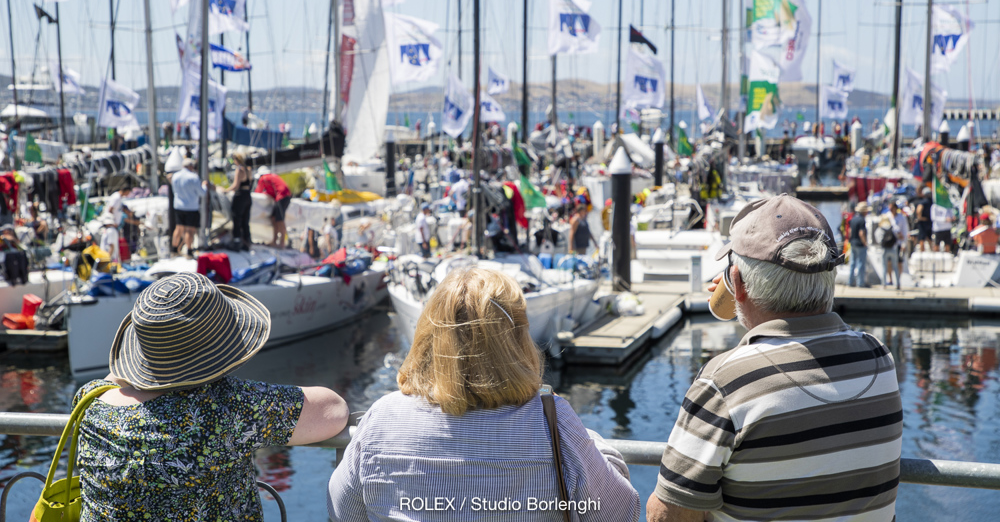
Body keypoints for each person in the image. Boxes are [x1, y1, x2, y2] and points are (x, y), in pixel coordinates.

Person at [649, 195, 901, 522]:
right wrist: (745, 297)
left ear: (736, 282)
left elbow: (667, 514)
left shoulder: (723, 384)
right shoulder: (879, 357)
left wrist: (741, 301)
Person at [327, 268, 640, 521]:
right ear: (516, 341)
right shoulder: (553, 422)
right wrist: (593, 445)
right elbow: (621, 513)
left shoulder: (382, 419)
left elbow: (343, 511)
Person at [73, 272, 349, 520]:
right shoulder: (228, 406)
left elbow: (116, 378)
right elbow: (334, 410)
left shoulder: (89, 401)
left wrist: (144, 364)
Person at [171, 158, 207, 256]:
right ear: (191, 166)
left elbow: (174, 191)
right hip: (191, 207)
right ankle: (189, 251)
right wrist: (204, 186)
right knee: (189, 230)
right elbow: (202, 193)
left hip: (178, 206)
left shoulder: (175, 176)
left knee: (178, 228)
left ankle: (174, 250)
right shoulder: (193, 177)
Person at [221, 152, 253, 250]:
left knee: (237, 219)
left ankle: (237, 242)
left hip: (240, 196)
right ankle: (247, 242)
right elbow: (250, 183)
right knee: (245, 220)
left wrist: (225, 190)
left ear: (236, 160)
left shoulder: (239, 170)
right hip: (248, 196)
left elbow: (236, 185)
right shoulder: (248, 169)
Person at [255, 168, 292, 248]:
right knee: (274, 218)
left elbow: (258, 192)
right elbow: (271, 192)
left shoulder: (263, 178)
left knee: (280, 220)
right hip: (285, 196)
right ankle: (275, 241)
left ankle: (281, 243)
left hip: (281, 196)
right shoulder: (272, 177)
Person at [849, 201, 870, 288]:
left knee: (852, 263)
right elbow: (861, 233)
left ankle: (850, 282)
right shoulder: (862, 220)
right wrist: (865, 243)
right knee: (861, 264)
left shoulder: (853, 219)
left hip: (853, 243)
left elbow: (850, 231)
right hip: (860, 244)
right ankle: (860, 283)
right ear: (864, 211)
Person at [876, 214, 899, 289]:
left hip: (884, 249)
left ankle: (883, 284)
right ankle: (898, 284)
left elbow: (878, 240)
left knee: (884, 267)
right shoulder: (892, 227)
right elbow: (897, 238)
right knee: (895, 267)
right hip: (893, 249)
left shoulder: (880, 229)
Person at [915, 187, 934, 252]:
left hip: (923, 222)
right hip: (929, 221)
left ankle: (922, 252)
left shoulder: (923, 201)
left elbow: (919, 210)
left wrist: (920, 217)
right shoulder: (932, 201)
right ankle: (932, 252)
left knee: (922, 239)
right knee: (929, 238)